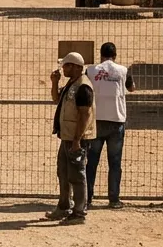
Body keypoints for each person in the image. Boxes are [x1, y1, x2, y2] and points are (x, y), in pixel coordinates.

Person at [48, 52, 96, 224]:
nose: (63, 68)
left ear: (76, 67)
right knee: (63, 172)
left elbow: (85, 114)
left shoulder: (83, 87)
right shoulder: (72, 83)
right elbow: (56, 99)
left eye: (67, 65)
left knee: (77, 175)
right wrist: (54, 82)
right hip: (67, 137)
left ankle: (79, 212)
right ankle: (63, 206)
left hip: (76, 139)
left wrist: (77, 140)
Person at [85, 42, 135, 209]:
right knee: (114, 162)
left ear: (101, 55)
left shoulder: (91, 70)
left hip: (96, 121)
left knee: (91, 161)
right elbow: (132, 88)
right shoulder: (123, 70)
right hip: (116, 120)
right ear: (115, 55)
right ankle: (114, 199)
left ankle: (87, 197)